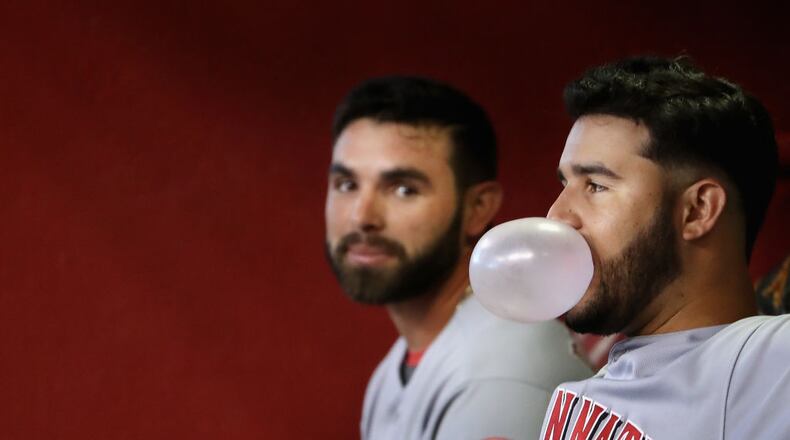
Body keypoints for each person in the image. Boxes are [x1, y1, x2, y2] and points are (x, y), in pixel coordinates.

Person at [325, 76, 592, 440]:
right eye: (346, 184)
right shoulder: (404, 361)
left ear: (478, 208)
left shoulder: (503, 371)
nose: (362, 216)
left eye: (404, 189)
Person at [539, 56, 789, 440]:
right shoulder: (602, 381)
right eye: (564, 185)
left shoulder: (764, 361)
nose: (556, 217)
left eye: (596, 185)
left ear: (697, 210)